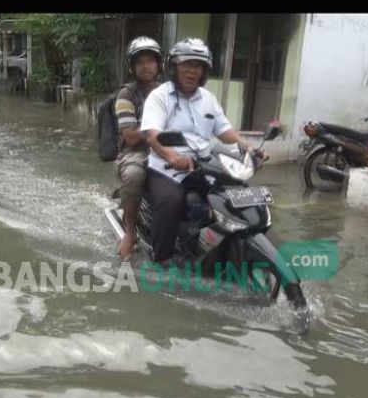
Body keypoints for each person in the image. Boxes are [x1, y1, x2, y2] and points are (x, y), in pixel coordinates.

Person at [140, 38, 268, 263]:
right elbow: (152, 134)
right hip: (168, 169)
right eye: (187, 65)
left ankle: (222, 247)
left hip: (204, 166)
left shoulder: (208, 99)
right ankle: (161, 258)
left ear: (204, 71)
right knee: (171, 201)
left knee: (236, 197)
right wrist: (173, 156)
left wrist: (249, 148)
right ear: (174, 67)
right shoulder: (159, 96)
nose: (192, 71)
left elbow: (224, 131)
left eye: (198, 66)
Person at [114, 37, 163, 260]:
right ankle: (130, 232)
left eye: (150, 60)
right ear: (132, 67)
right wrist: (155, 132)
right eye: (140, 61)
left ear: (158, 64)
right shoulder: (126, 95)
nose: (146, 66)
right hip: (136, 153)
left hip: (168, 149)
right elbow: (130, 136)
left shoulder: (169, 93)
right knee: (133, 176)